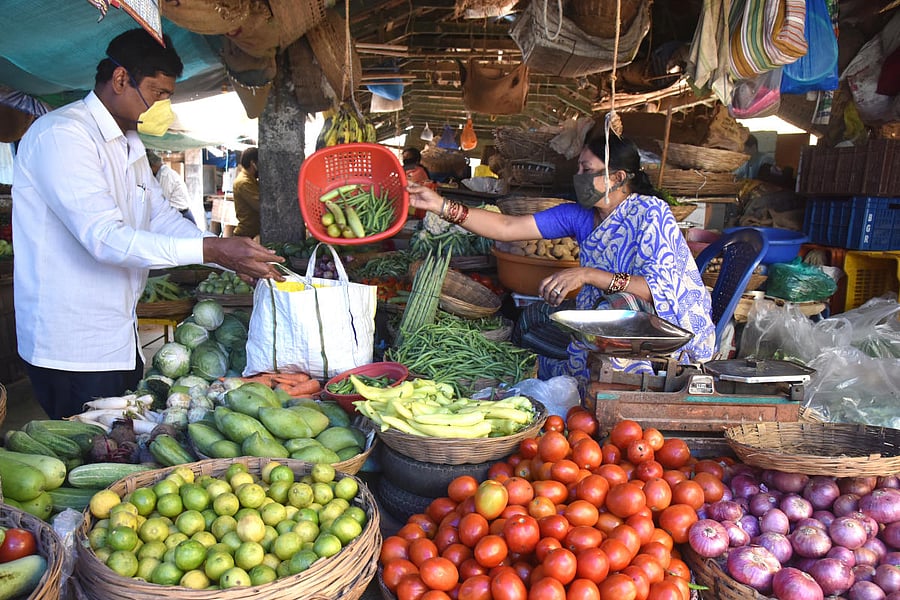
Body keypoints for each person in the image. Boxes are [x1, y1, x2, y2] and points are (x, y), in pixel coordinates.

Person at [11, 28, 283, 419]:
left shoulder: (131, 145)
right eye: (158, 94)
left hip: (120, 338)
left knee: (124, 447)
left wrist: (226, 257)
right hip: (72, 347)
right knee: (87, 460)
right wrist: (213, 248)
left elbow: (162, 219)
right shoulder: (63, 136)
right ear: (121, 79)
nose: (162, 107)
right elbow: (104, 238)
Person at [408, 131, 716, 387]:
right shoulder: (579, 215)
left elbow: (657, 290)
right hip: (607, 320)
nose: (577, 176)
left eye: (586, 169)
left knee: (620, 307)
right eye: (578, 168)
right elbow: (506, 228)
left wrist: (587, 275)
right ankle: (558, 378)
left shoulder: (651, 214)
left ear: (618, 177)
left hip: (666, 328)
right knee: (532, 319)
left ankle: (616, 386)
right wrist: (440, 205)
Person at [146, 150, 197, 225]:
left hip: (181, 215)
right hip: (178, 214)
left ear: (152, 166)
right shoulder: (162, 174)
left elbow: (162, 200)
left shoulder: (165, 175)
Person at [232, 146, 260, 239]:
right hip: (246, 235)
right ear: (253, 163)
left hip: (251, 234)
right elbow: (260, 206)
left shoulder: (251, 179)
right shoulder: (244, 182)